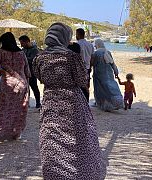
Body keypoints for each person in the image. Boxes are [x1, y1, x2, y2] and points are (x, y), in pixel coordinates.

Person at [33, 23, 103, 179]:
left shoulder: (39, 57)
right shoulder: (71, 56)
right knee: (76, 138)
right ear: (65, 37)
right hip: (72, 102)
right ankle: (79, 173)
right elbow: (81, 79)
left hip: (50, 101)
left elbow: (39, 77)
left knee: (52, 137)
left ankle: (55, 173)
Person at [0, 32, 30, 140]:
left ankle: (0, 132)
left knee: (4, 108)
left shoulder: (1, 52)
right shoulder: (21, 53)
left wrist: (1, 70)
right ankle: (16, 133)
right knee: (20, 109)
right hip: (21, 83)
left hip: (8, 84)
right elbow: (27, 70)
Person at [91, 39, 124, 111]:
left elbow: (93, 63)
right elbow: (112, 63)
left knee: (99, 89)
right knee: (110, 87)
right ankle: (117, 102)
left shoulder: (96, 53)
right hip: (109, 73)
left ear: (97, 45)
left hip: (99, 73)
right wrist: (116, 72)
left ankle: (99, 103)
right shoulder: (107, 52)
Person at [19, 35, 41, 108]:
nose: (21, 45)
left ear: (27, 41)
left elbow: (33, 60)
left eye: (22, 43)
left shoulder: (35, 50)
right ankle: (26, 103)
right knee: (25, 89)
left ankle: (38, 103)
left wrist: (23, 58)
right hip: (24, 72)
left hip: (32, 73)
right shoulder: (23, 50)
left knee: (34, 88)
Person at [76, 28, 94, 102]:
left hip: (79, 68)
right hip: (87, 67)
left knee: (79, 86)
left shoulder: (77, 45)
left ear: (78, 35)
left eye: (76, 34)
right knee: (86, 85)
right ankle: (86, 102)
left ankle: (80, 103)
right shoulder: (90, 44)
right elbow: (92, 57)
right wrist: (90, 66)